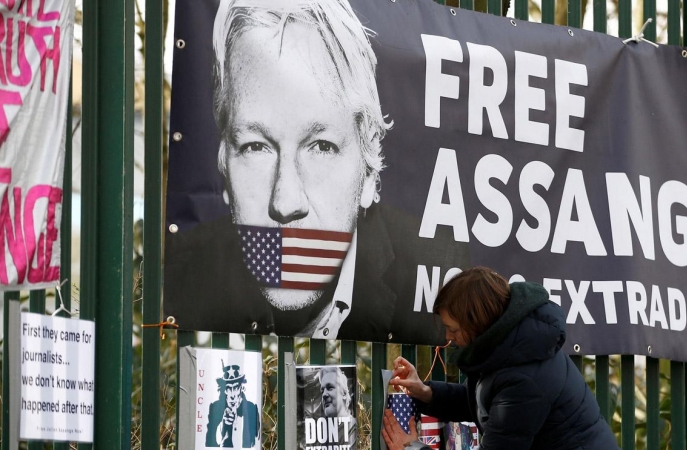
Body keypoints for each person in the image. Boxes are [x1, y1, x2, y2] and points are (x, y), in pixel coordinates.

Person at [163, 0, 469, 344]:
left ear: (368, 172)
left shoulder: (438, 267)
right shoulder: (181, 272)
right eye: (255, 146)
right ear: (223, 162)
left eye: (321, 146)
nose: (286, 201)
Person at [381, 267, 619, 449]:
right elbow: (482, 401)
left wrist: (412, 446)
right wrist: (425, 392)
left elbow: (505, 404)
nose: (448, 337)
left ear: (477, 324)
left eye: (453, 329)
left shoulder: (523, 377)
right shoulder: (511, 346)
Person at [206, 364, 260, 448]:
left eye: (235, 388)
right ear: (224, 390)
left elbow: (256, 443)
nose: (232, 394)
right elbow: (209, 442)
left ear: (241, 388)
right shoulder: (215, 408)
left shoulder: (251, 408)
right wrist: (223, 425)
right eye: (228, 388)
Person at [316, 366, 357, 446]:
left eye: (330, 388)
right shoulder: (320, 432)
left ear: (344, 394)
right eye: (322, 391)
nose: (324, 394)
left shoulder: (354, 428)